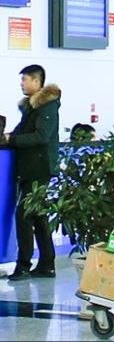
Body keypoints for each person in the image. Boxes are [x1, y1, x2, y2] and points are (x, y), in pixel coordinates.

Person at [0, 65, 60, 281]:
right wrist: (9, 137)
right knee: (38, 216)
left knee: (24, 215)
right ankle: (47, 264)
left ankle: (23, 265)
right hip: (30, 169)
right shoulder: (31, 108)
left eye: (24, 79)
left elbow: (42, 136)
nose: (21, 84)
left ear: (36, 81)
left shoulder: (47, 107)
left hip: (39, 170)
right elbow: (20, 132)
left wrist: (12, 139)